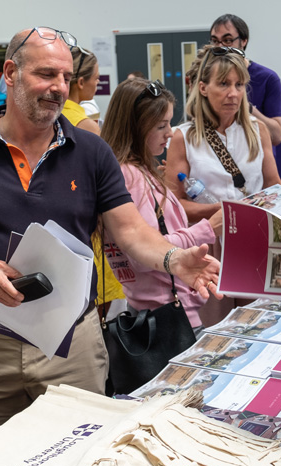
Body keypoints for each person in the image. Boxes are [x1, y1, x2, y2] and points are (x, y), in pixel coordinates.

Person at [0, 27, 221, 444]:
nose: (59, 87)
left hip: (73, 345)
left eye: (65, 76)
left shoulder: (92, 152)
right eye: (46, 74)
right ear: (11, 72)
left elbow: (130, 229)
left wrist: (173, 258)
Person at [165, 45, 281, 326]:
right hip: (209, 245)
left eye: (239, 84)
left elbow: (274, 187)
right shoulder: (184, 136)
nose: (233, 93)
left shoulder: (258, 130)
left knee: (258, 324)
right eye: (223, 84)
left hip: (254, 240)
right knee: (214, 329)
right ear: (203, 88)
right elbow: (173, 205)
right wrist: (222, 210)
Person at [99, 78, 222, 330]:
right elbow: (146, 251)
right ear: (136, 128)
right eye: (161, 126)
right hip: (166, 312)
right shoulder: (130, 176)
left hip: (157, 307)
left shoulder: (136, 171)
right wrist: (207, 228)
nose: (170, 132)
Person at [60, 45, 126, 321]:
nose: (98, 84)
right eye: (96, 78)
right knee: (98, 308)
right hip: (89, 218)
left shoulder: (55, 116)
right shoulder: (84, 124)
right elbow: (105, 181)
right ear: (80, 81)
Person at [209, 14, 281, 146]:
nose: (220, 47)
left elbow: (277, 136)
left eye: (227, 40)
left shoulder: (268, 78)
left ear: (244, 41)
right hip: (217, 159)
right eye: (215, 41)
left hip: (256, 160)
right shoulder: (207, 76)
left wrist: (247, 109)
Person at [63, 47, 101, 135]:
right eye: (96, 78)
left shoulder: (49, 114)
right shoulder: (87, 126)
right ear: (81, 82)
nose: (97, 82)